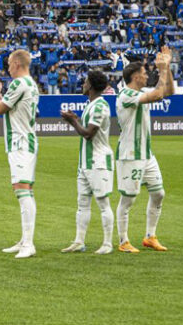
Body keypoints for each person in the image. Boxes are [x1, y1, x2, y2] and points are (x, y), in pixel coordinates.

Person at [115, 47, 174, 254]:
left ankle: (150, 236)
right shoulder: (125, 95)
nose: (148, 75)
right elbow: (158, 94)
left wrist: (167, 68)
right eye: (145, 72)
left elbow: (168, 92)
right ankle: (123, 240)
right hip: (130, 155)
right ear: (135, 76)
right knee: (128, 199)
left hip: (147, 154)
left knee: (158, 193)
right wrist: (163, 69)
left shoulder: (140, 92)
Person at [0, 49, 40, 259]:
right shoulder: (31, 83)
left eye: (8, 63)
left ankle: (29, 244)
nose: (7, 66)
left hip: (20, 142)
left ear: (16, 63)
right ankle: (25, 240)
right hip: (26, 140)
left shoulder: (19, 83)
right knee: (26, 190)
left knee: (22, 190)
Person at [59, 71, 115, 255]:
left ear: (90, 85)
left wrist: (73, 121)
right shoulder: (91, 105)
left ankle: (107, 243)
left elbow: (89, 134)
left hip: (98, 161)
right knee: (82, 203)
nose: (83, 84)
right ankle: (79, 241)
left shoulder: (100, 106)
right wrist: (75, 119)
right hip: (86, 162)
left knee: (102, 202)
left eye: (85, 82)